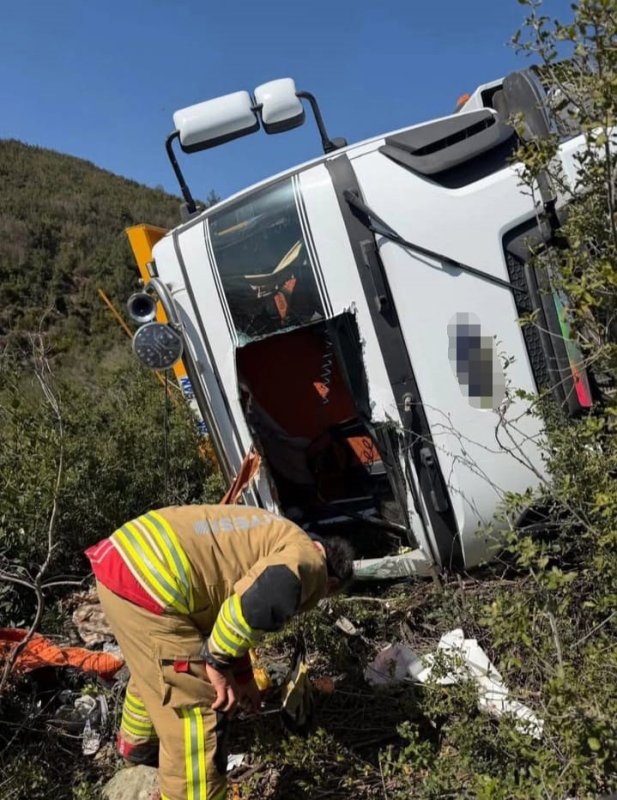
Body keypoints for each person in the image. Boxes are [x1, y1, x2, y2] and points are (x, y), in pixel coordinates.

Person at [85, 504, 354, 800]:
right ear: (331, 583)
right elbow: (258, 602)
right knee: (197, 714)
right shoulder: (310, 565)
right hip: (154, 584)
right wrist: (216, 661)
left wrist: (241, 675)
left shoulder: (280, 532)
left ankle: (138, 751)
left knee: (156, 670)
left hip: (123, 562)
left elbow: (227, 604)